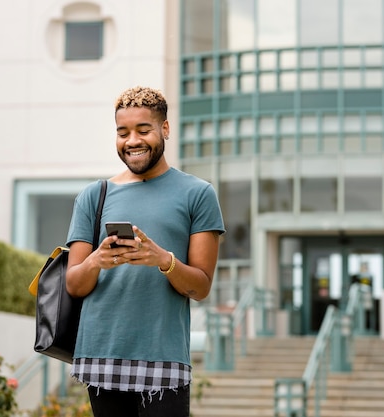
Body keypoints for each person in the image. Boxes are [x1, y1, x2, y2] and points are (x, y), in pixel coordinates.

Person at [65, 86, 225, 417]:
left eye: (143, 130)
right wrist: (97, 260)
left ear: (164, 129)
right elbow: (74, 285)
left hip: (164, 357)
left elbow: (201, 287)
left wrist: (163, 260)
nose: (132, 141)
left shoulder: (198, 194)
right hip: (102, 354)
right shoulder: (94, 196)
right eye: (123, 132)